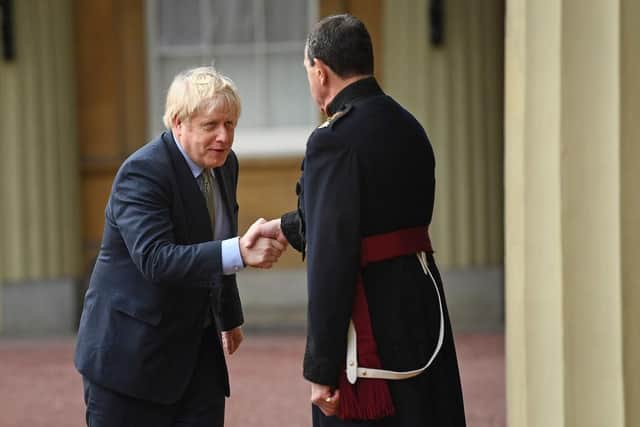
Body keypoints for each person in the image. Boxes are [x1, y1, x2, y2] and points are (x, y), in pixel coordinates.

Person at [259, 14, 466, 426]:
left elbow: (331, 260)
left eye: (307, 72)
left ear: (320, 71)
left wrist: (320, 370)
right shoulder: (410, 127)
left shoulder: (332, 140)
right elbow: (374, 216)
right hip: (421, 307)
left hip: (369, 323)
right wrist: (283, 227)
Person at [74, 66, 286, 427]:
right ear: (178, 123)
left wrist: (228, 316)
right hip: (129, 359)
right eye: (211, 125)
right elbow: (156, 259)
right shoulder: (141, 173)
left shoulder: (224, 164)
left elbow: (214, 236)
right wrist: (240, 252)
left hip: (196, 352)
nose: (224, 137)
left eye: (231, 124)